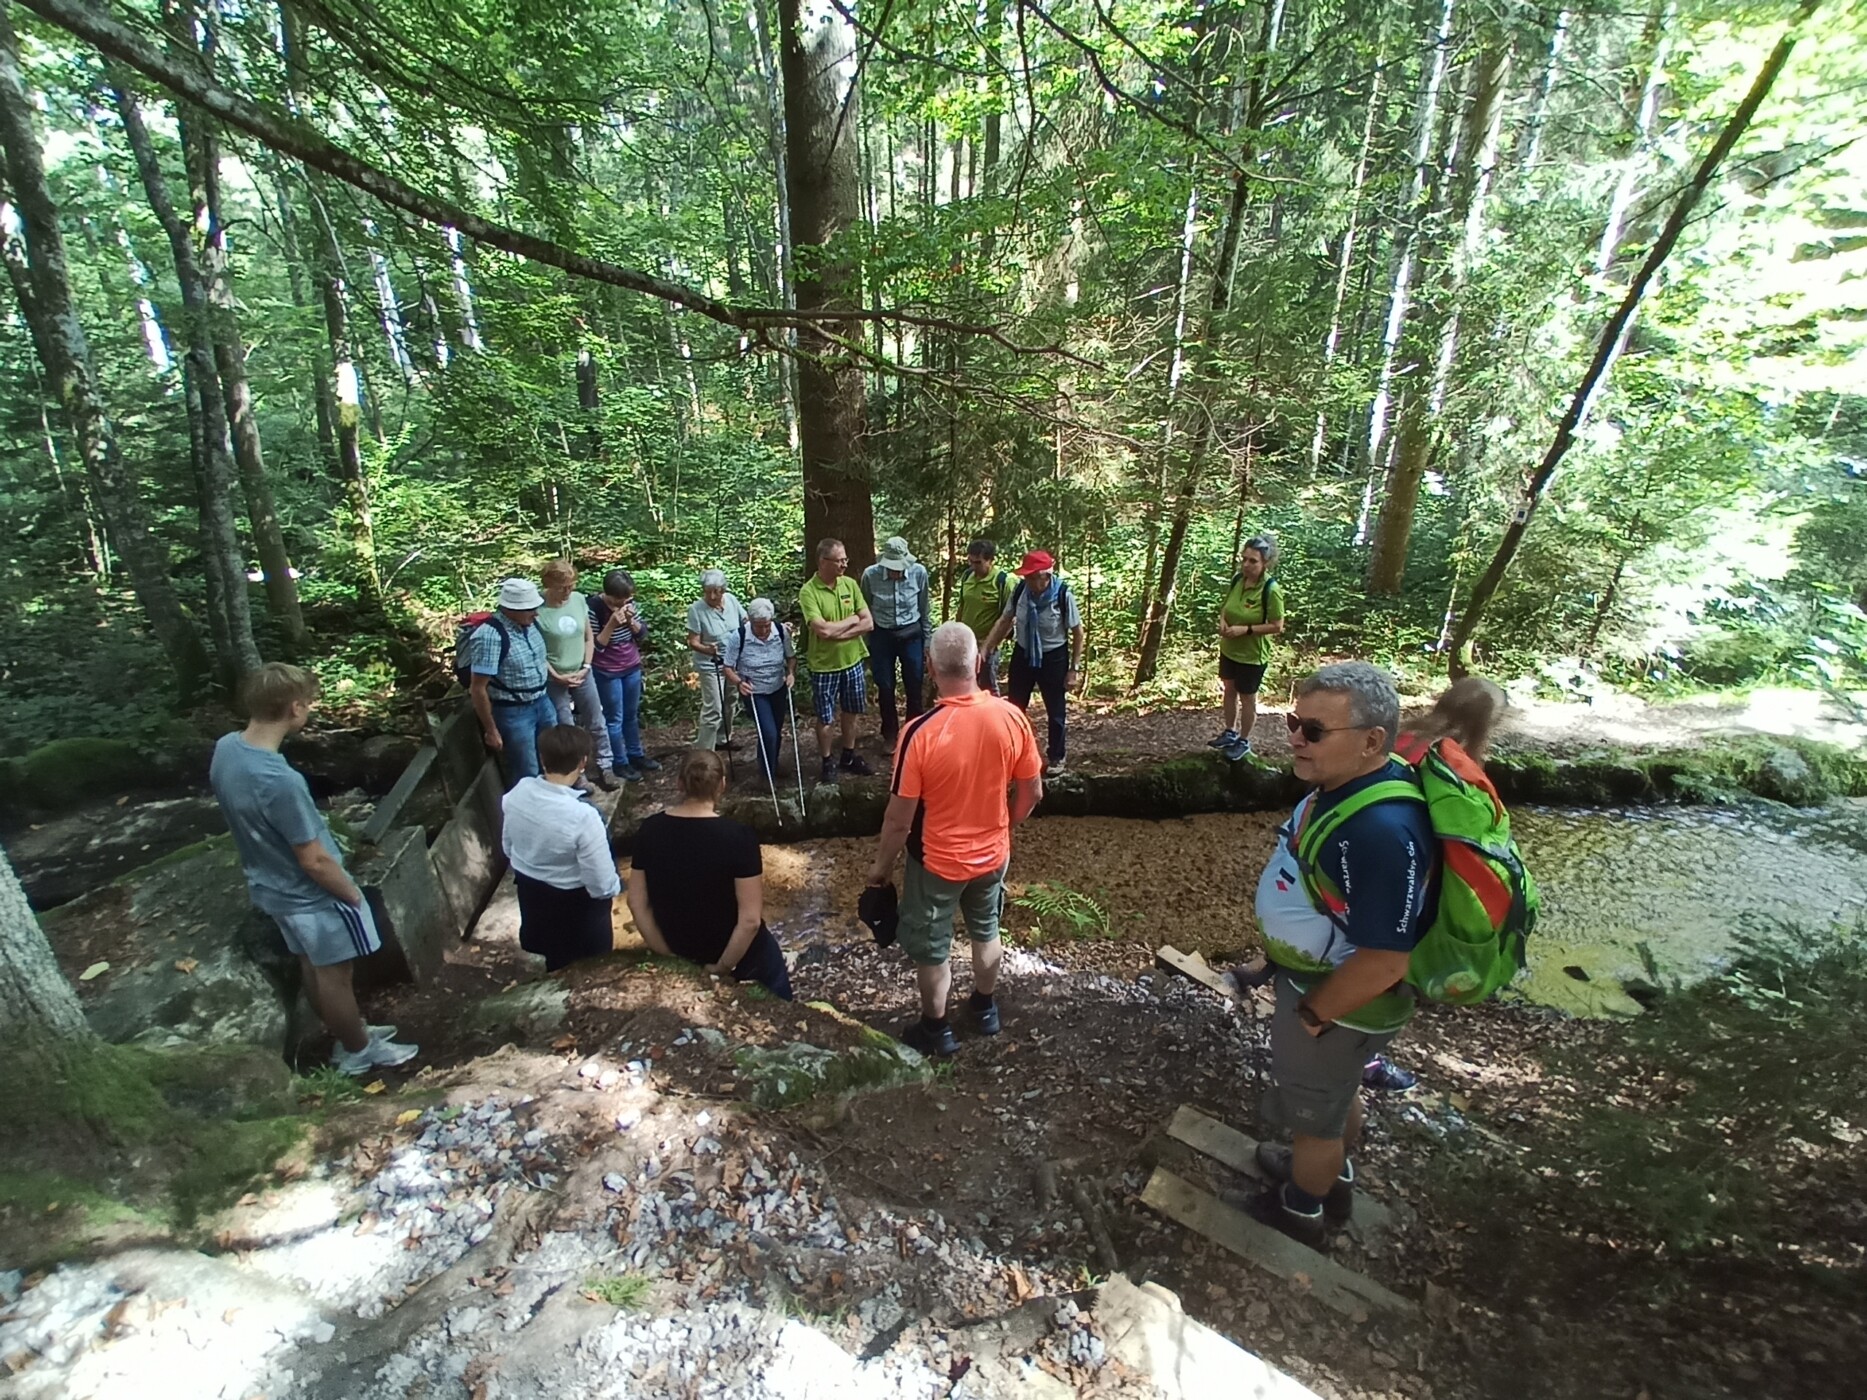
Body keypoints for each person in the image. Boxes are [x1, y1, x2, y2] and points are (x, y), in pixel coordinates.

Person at [1238, 661, 1440, 1249]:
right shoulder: (1350, 788)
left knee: (1314, 1120)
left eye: (1315, 731)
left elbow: (1386, 959)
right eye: (1294, 722)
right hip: (1328, 996)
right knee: (1335, 1099)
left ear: (1372, 741)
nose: (1296, 737)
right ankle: (1333, 1176)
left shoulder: (1380, 831)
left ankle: (1301, 1210)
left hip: (1340, 1006)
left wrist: (1313, 1015)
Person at [210, 663, 419, 1076]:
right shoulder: (279, 781)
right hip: (310, 892)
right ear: (294, 708)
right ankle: (358, 1050)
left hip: (271, 885)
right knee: (335, 975)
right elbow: (314, 858)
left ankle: (350, 1033)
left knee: (313, 965)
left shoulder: (228, 748)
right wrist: (351, 893)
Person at [867, 623, 1044, 1057]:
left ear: (929, 668)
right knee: (986, 929)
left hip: (936, 862)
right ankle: (985, 1009)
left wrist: (879, 872)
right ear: (978, 663)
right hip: (992, 854)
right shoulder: (1011, 717)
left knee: (933, 947)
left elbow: (898, 821)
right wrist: (1005, 825)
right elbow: (1034, 791)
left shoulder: (919, 733)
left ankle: (936, 1029)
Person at [626, 749, 793, 999]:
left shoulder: (649, 830)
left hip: (681, 949)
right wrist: (722, 967)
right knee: (781, 1012)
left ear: (679, 783)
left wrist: (668, 956)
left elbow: (636, 903)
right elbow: (750, 920)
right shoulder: (739, 837)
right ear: (722, 785)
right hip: (742, 957)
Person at [501, 725, 621, 972]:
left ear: (542, 758)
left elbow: (508, 846)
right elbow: (601, 884)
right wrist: (615, 888)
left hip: (533, 897)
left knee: (555, 963)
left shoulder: (517, 793)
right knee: (592, 971)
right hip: (576, 910)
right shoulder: (584, 817)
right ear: (583, 763)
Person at [981, 549, 1084, 777]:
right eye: (1025, 575)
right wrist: (986, 647)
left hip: (1053, 657)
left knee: (1055, 711)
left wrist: (1073, 670)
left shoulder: (1063, 595)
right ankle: (1015, 756)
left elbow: (1077, 633)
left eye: (1030, 576)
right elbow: (1005, 620)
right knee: (1015, 708)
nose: (1026, 580)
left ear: (1044, 576)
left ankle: (1056, 756)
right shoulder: (1020, 591)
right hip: (1024, 653)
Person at [798, 537, 876, 783]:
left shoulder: (850, 585)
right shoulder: (809, 592)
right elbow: (823, 631)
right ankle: (827, 759)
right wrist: (852, 621)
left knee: (851, 711)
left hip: (852, 661)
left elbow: (868, 622)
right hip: (823, 666)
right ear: (823, 561)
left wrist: (841, 630)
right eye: (839, 560)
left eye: (845, 560)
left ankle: (849, 755)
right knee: (825, 717)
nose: (844, 565)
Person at [468, 578, 559, 785]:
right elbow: (478, 688)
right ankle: (530, 811)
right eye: (529, 609)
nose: (536, 613)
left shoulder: (529, 624)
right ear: (511, 608)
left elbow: (539, 659)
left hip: (542, 701)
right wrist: (491, 730)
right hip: (514, 712)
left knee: (553, 757)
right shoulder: (490, 636)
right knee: (527, 769)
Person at [538, 560, 617, 792]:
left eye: (571, 585)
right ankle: (576, 776)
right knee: (566, 728)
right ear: (549, 584)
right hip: (555, 679)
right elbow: (536, 649)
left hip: (582, 672)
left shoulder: (579, 600)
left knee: (596, 720)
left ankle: (606, 766)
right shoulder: (538, 609)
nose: (567, 591)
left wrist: (586, 665)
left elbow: (588, 637)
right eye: (562, 587)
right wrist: (555, 675)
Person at [1210, 535, 1286, 762]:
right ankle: (1229, 731)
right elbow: (1227, 607)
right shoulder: (1237, 580)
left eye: (1253, 561)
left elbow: (1277, 626)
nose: (1246, 565)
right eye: (1244, 559)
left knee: (1247, 697)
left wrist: (1246, 629)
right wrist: (1223, 620)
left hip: (1252, 655)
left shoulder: (1271, 590)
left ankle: (1243, 740)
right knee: (1229, 690)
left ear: (1265, 563)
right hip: (1229, 649)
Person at [588, 569, 662, 783]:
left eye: (627, 600)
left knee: (631, 714)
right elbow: (597, 646)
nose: (622, 605)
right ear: (608, 595)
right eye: (618, 602)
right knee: (614, 719)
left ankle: (635, 755)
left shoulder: (629, 604)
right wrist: (611, 623)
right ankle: (619, 762)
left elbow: (641, 634)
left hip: (631, 666)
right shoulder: (594, 608)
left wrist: (631, 621)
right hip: (608, 671)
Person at [859, 535, 933, 744]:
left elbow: (924, 608)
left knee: (914, 683)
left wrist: (927, 642)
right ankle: (890, 733)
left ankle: (914, 732)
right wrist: (865, 644)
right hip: (882, 635)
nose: (895, 571)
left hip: (911, 634)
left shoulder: (919, 573)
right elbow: (864, 608)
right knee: (885, 685)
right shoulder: (870, 575)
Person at [722, 597, 796, 785]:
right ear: (751, 622)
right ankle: (766, 775)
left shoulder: (780, 632)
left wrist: (791, 673)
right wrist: (739, 683)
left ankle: (771, 762)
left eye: (766, 625)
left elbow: (791, 657)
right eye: (758, 626)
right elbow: (728, 667)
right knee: (768, 732)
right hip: (754, 691)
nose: (763, 630)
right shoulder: (739, 636)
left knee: (776, 731)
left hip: (778, 688)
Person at [685, 569, 748, 752]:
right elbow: (693, 641)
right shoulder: (696, 610)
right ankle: (704, 751)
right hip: (710, 664)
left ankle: (723, 738)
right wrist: (706, 649)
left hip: (732, 662)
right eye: (708, 591)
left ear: (723, 589)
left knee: (730, 701)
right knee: (714, 707)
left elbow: (745, 621)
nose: (712, 595)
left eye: (716, 591)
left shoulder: (732, 601)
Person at [954, 537, 1013, 695]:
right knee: (965, 686)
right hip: (967, 642)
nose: (973, 566)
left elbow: (1009, 619)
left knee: (988, 688)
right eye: (971, 561)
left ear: (990, 560)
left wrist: (991, 645)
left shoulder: (1003, 582)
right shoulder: (967, 577)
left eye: (978, 562)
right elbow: (962, 606)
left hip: (987, 643)